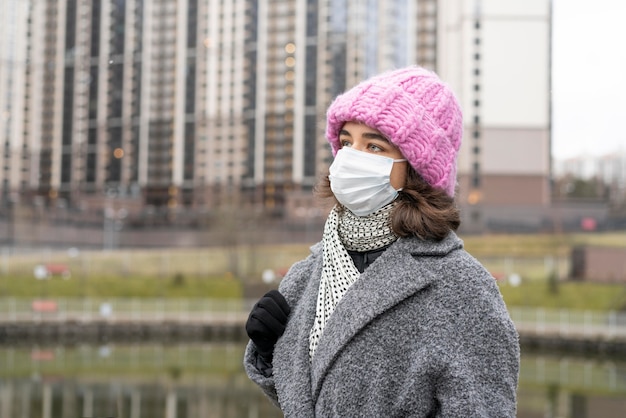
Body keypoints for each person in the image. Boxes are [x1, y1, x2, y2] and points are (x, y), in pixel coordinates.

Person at [243, 66, 520, 417]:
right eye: (346, 142)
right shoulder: (310, 273)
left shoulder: (463, 289)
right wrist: (271, 355)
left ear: (416, 170)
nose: (350, 157)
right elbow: (316, 402)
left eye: (374, 145)